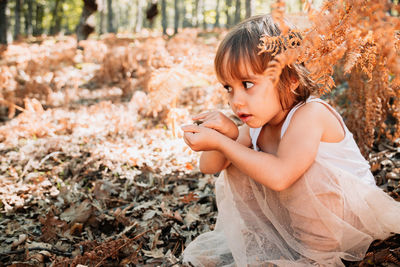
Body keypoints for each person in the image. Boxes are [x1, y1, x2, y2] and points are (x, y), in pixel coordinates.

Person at [181, 14, 400, 266]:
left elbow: (281, 176)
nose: (236, 100)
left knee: (303, 171)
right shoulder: (257, 123)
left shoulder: (311, 114)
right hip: (299, 225)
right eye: (228, 88)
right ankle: (267, 243)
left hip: (347, 219)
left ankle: (317, 258)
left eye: (247, 83)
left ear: (291, 79)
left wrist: (225, 144)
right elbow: (209, 167)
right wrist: (226, 135)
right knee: (236, 160)